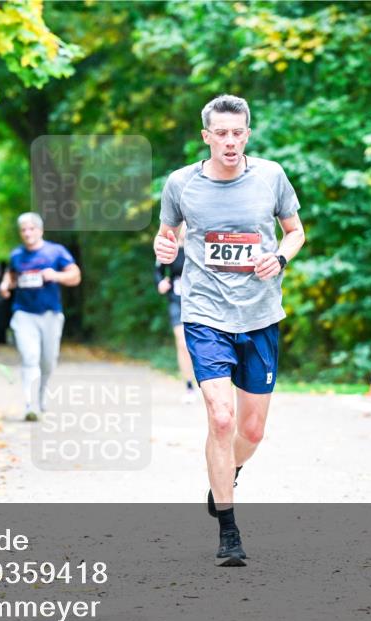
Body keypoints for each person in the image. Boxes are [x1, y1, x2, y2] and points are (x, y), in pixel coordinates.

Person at [153, 94, 306, 566]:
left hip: (260, 315)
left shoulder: (271, 176)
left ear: (248, 134)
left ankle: (228, 471)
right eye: (221, 133)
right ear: (206, 137)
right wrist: (163, 250)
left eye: (238, 132)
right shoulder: (181, 184)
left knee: (252, 430)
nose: (230, 141)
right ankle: (229, 530)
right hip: (204, 313)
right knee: (221, 418)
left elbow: (295, 231)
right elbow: (167, 235)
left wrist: (278, 257)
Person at [0, 212, 81, 421]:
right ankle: (30, 404)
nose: (27, 233)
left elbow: (75, 276)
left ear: (40, 230)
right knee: (29, 357)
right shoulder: (17, 255)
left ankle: (41, 394)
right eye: (23, 230)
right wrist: (5, 285)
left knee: (47, 362)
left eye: (31, 229)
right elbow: (11, 274)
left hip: (50, 314)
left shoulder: (56, 251)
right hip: (24, 313)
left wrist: (56, 275)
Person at [154, 226, 197, 403]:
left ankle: (210, 381)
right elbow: (157, 270)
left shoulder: (200, 248)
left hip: (200, 301)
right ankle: (189, 385)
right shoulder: (170, 249)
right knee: (182, 342)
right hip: (177, 300)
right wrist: (160, 283)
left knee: (198, 343)